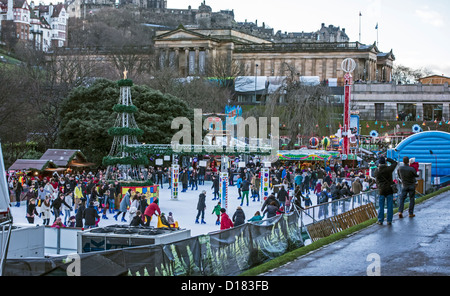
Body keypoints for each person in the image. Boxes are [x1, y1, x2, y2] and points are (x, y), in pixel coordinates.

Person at [373, 156, 398, 225]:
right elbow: (395, 163)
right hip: (389, 189)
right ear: (385, 162)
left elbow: (376, 180)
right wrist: (388, 159)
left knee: (381, 206)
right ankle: (389, 220)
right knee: (390, 205)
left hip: (381, 190)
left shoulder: (376, 171)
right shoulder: (389, 169)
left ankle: (380, 220)